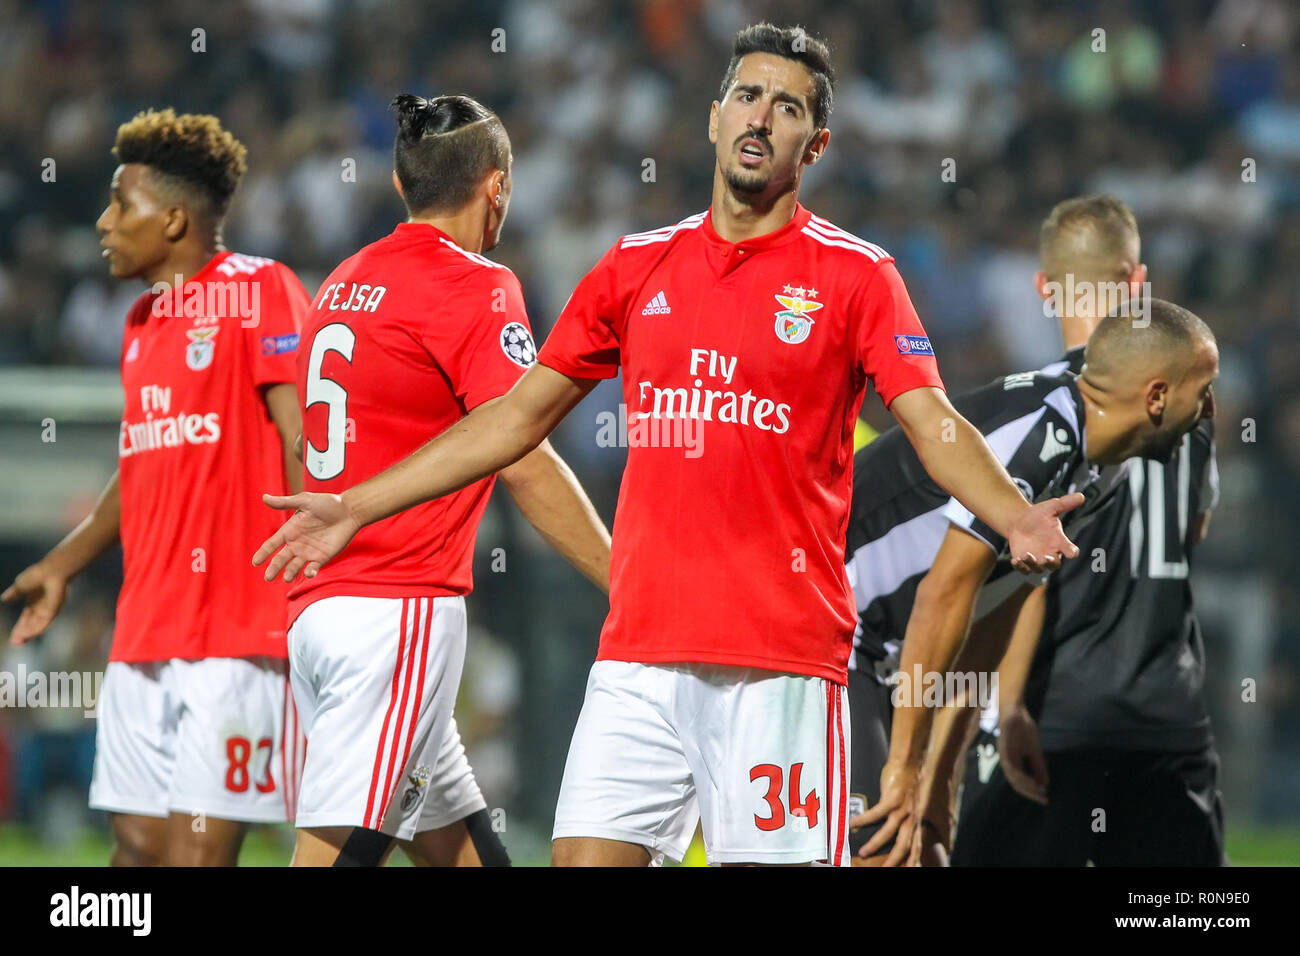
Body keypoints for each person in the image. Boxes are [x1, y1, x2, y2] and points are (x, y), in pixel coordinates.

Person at [255, 23, 1081, 867]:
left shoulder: (858, 277)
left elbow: (933, 420)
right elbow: (512, 422)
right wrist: (355, 505)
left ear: (817, 143)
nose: (762, 117)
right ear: (714, 117)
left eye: (788, 107)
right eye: (748, 97)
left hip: (780, 663)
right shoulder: (633, 266)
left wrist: (1012, 517)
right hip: (639, 658)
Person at [283, 94, 612, 867]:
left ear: (403, 187)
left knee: (460, 850)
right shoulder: (476, 284)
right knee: (336, 856)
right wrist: (624, 578)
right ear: (497, 187)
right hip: (396, 613)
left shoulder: (343, 279)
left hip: (318, 612)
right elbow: (522, 452)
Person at [3, 109, 308, 865]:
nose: (104, 222)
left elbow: (307, 438)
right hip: (146, 629)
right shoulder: (142, 322)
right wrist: (61, 566)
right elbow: (141, 465)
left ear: (173, 218)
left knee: (197, 853)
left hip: (236, 632)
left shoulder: (259, 289)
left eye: (120, 203)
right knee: (136, 846)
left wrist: (318, 576)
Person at [846, 299, 1217, 866]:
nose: (1210, 407)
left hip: (880, 650)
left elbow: (997, 599)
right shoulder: (1047, 434)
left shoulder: (1104, 464)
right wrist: (906, 767)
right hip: (832, 627)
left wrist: (946, 774)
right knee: (886, 848)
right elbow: (943, 595)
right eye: (1203, 388)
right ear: (1158, 396)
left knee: (920, 850)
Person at [940, 198, 1226, 867]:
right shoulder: (1193, 412)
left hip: (1051, 714)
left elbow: (1017, 583)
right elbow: (1193, 530)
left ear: (1045, 288)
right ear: (1138, 283)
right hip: (1168, 719)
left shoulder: (1034, 410)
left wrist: (1003, 707)